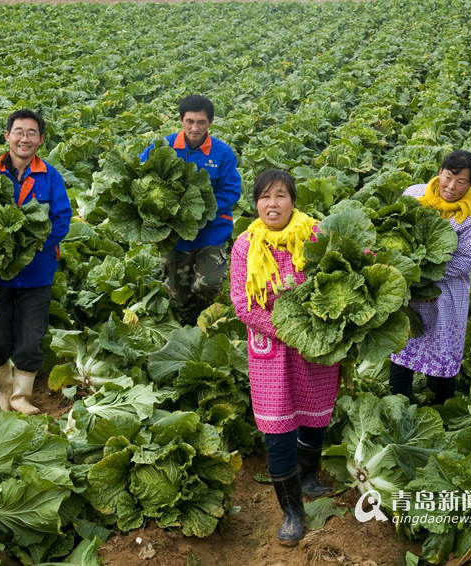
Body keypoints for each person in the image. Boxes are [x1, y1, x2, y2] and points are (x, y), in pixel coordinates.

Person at [230, 169, 340, 546]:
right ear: (256, 203)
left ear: (293, 200)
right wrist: (291, 330)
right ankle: (292, 511)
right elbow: (243, 306)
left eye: (279, 196)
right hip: (272, 347)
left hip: (316, 345)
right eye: (264, 197)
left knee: (315, 413)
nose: (271, 204)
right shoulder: (245, 245)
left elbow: (346, 269)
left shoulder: (315, 234)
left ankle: (308, 476)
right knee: (277, 429)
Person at [0, 109, 72, 415]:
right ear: (7, 136)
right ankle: (4, 390)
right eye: (19, 131)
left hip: (37, 273)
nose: (25, 138)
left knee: (31, 340)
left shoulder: (50, 176)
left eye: (32, 133)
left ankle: (22, 396)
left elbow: (61, 219)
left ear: (41, 140)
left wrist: (29, 244)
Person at [389, 150, 471, 404]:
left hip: (445, 295)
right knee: (404, 346)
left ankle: (445, 409)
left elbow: (464, 262)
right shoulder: (414, 195)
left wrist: (422, 274)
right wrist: (407, 274)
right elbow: (393, 227)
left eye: (461, 182)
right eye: (448, 177)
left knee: (444, 348)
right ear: (440, 172)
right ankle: (397, 405)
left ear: (470, 184)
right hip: (410, 292)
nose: (452, 187)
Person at [140, 95, 242, 326]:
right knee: (177, 290)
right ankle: (189, 322)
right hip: (174, 233)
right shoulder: (162, 147)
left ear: (210, 123)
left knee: (209, 283)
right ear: (181, 120)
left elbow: (232, 191)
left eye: (201, 122)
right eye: (190, 121)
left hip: (211, 231)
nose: (195, 128)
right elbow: (140, 174)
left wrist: (202, 211)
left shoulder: (222, 153)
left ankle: (203, 313)